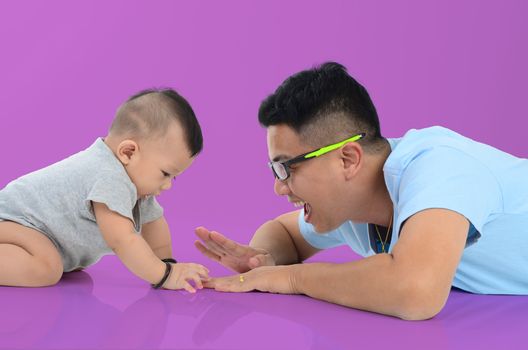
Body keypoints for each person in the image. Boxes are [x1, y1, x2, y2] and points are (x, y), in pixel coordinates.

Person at [195, 62, 528, 320]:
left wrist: (292, 280)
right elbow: (284, 232)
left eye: (287, 167)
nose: (279, 186)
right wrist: (262, 261)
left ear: (347, 159)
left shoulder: (440, 167)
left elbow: (416, 291)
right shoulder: (348, 207)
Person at [0, 88, 210, 292]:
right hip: (13, 221)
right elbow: (122, 239)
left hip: (30, 230)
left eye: (174, 177)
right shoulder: (108, 176)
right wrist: (165, 275)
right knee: (46, 269)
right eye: (165, 173)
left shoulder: (135, 182)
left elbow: (154, 223)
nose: (168, 185)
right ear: (128, 152)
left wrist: (167, 263)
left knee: (58, 264)